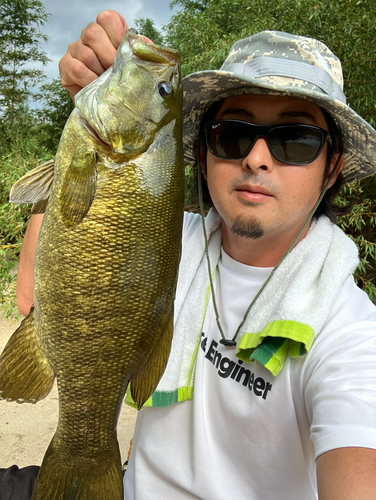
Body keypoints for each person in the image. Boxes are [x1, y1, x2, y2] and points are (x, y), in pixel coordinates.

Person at [14, 10, 376, 500]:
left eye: (295, 139)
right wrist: (80, 137)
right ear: (204, 153)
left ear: (332, 167)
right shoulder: (167, 241)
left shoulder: (351, 334)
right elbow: (35, 286)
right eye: (233, 134)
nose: (256, 157)